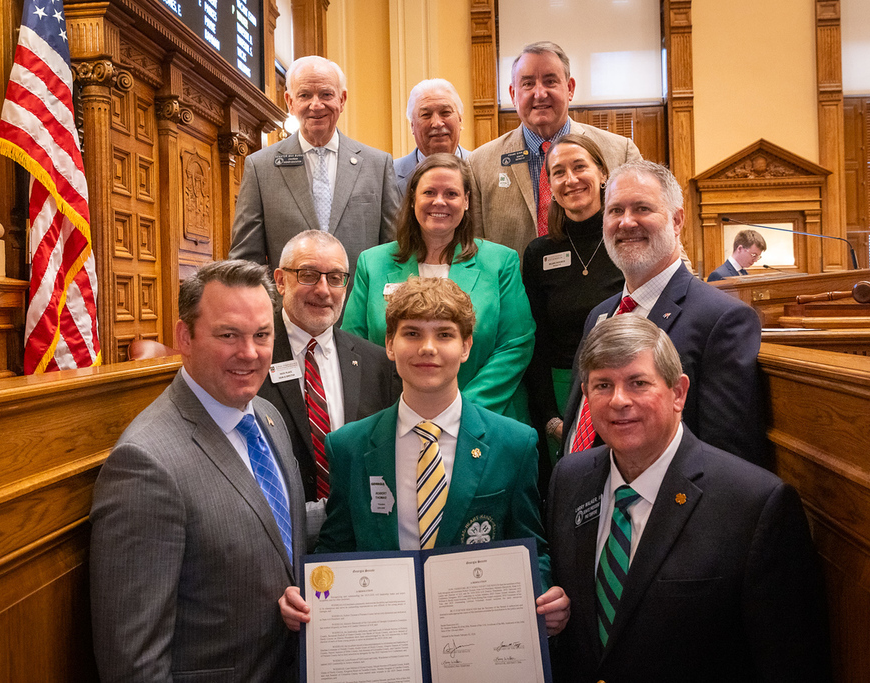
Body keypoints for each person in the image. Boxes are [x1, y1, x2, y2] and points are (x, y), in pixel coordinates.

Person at [547, 315, 830, 682]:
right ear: (586, 396)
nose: (619, 400)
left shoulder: (755, 505)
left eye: (637, 383)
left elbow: (791, 664)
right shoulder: (569, 479)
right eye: (603, 385)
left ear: (678, 393)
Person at [280, 277, 570, 635]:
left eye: (445, 335)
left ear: (466, 346)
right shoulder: (349, 446)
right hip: (384, 638)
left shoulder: (514, 443)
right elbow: (337, 546)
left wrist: (544, 596)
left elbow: (531, 548)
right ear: (389, 344)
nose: (428, 348)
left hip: (477, 639)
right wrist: (310, 596)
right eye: (412, 334)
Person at [89, 260, 306, 682]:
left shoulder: (264, 415)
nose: (250, 352)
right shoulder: (146, 465)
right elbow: (133, 664)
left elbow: (275, 529)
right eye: (229, 335)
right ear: (184, 337)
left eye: (262, 335)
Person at [563, 160, 768, 467]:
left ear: (676, 220)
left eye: (642, 208)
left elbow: (726, 456)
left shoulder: (724, 320)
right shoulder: (599, 316)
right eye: (616, 210)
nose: (626, 222)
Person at [342, 153, 534, 423]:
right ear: (412, 200)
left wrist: (458, 412)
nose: (439, 201)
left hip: (483, 417)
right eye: (429, 192)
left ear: (466, 200)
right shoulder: (372, 263)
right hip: (393, 417)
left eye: (452, 193)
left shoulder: (500, 261)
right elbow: (355, 346)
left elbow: (516, 344)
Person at [256, 231, 400, 548]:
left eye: (335, 278)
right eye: (308, 275)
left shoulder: (378, 363)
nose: (323, 290)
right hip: (277, 542)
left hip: (362, 543)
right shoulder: (251, 358)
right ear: (280, 281)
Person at [467, 41, 642, 257]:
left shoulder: (620, 152)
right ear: (513, 94)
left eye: (550, 81)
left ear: (569, 88)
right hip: (514, 289)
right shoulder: (478, 164)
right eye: (528, 84)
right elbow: (473, 251)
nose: (539, 94)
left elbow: (650, 225)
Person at [230, 55, 400, 273]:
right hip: (289, 306)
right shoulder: (260, 167)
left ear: (342, 99)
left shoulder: (378, 165)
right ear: (290, 102)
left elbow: (393, 252)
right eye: (304, 95)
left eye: (326, 94)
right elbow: (246, 261)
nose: (316, 105)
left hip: (358, 305)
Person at [522, 133, 624, 471]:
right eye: (559, 172)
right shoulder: (539, 253)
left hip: (623, 387)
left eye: (580, 167)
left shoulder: (625, 241)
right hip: (562, 391)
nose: (571, 179)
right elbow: (536, 343)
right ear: (550, 183)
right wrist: (551, 417)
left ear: (602, 173)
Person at [394, 78, 471, 193]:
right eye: (426, 115)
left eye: (445, 112)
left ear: (460, 119)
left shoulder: (481, 170)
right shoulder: (390, 175)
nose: (437, 123)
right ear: (412, 126)